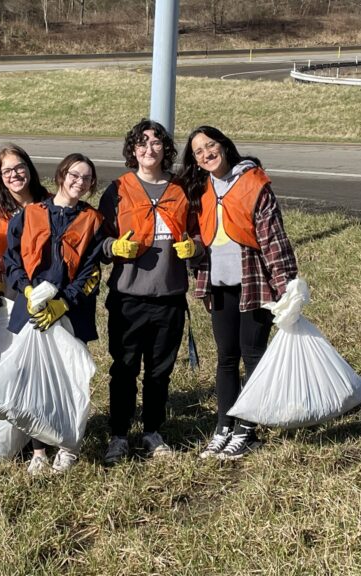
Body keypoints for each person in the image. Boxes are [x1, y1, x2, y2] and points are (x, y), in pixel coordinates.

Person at [180, 126, 298, 460]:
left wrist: (286, 286)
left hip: (254, 282)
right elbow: (203, 237)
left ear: (224, 146)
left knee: (253, 354)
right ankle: (224, 426)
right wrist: (193, 250)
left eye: (211, 145)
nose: (206, 153)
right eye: (199, 151)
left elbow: (273, 238)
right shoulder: (200, 190)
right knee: (226, 357)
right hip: (218, 286)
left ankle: (248, 428)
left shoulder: (253, 183)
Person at [99, 119, 197, 465]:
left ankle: (153, 431)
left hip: (168, 295)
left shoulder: (181, 189)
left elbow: (200, 233)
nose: (149, 149)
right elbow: (99, 238)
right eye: (141, 143)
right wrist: (113, 248)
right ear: (133, 150)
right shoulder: (118, 189)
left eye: (156, 143)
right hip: (128, 296)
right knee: (124, 369)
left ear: (165, 149)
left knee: (160, 370)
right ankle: (120, 434)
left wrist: (195, 249)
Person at [4, 153, 105, 475]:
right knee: (35, 382)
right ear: (62, 175)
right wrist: (28, 290)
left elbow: (90, 271)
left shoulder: (93, 220)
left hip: (71, 311)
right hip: (31, 309)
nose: (79, 182)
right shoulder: (29, 214)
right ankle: (38, 451)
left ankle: (67, 446)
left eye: (87, 179)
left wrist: (64, 303)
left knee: (70, 380)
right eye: (75, 175)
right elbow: (12, 260)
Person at [0, 144, 49, 304]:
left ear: (29, 168)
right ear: (0, 177)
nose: (14, 175)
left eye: (19, 168)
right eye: (7, 171)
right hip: (12, 293)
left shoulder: (53, 205)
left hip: (49, 290)